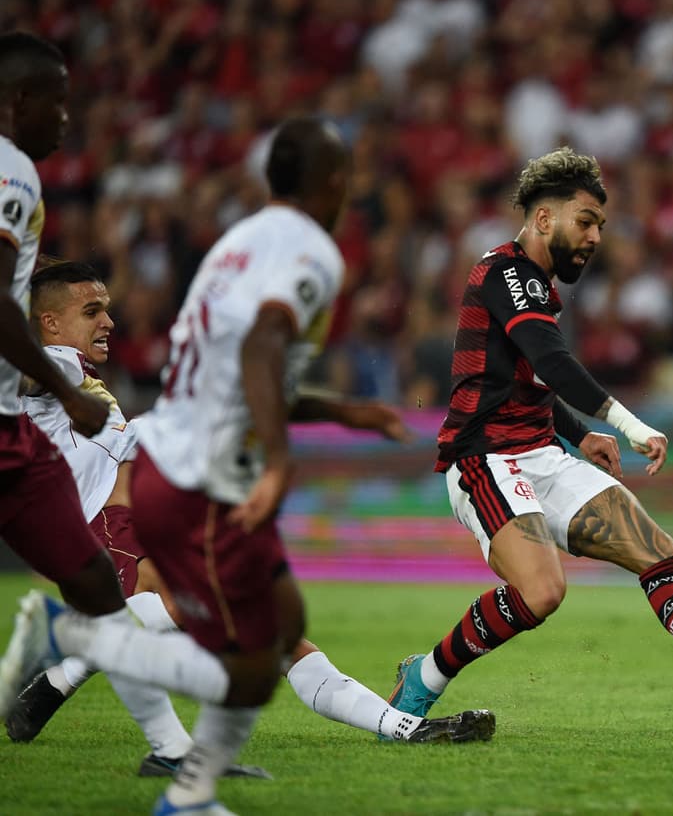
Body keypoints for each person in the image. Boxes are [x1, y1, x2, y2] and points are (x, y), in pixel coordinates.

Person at [388, 147, 673, 724]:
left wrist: (578, 434)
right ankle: (422, 679)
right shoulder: (503, 273)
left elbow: (524, 380)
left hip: (544, 453)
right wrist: (623, 425)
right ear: (545, 219)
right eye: (586, 221)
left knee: (657, 552)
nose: (597, 236)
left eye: (600, 224)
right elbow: (550, 361)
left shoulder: (539, 286)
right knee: (543, 592)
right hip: (486, 459)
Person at [7, 262, 490, 775]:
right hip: (111, 530)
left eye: (106, 309)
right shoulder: (53, 365)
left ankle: (404, 726)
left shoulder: (75, 378)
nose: (108, 322)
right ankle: (65, 660)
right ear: (49, 324)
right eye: (91, 311)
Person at [0, 34, 271, 776]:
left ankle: (167, 750)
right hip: (18, 442)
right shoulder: (11, 174)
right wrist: (62, 393)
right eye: (56, 99)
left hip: (26, 455)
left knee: (100, 594)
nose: (66, 115)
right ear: (18, 100)